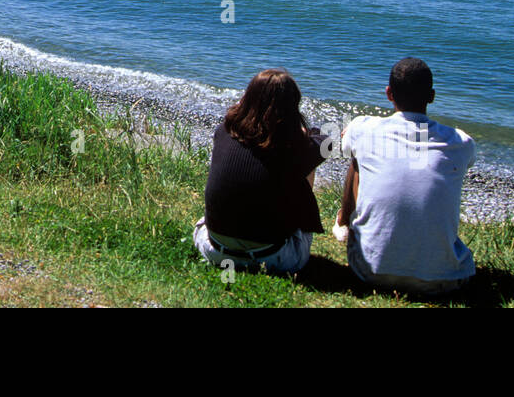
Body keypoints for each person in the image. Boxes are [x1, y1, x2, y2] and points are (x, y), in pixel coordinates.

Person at [335, 57, 476, 294]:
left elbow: (344, 142)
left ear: (389, 93)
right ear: (431, 96)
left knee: (358, 159)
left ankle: (343, 222)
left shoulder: (363, 128)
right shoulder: (460, 142)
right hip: (445, 279)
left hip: (370, 271)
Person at [193, 68, 326, 275]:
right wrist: (304, 133)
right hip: (271, 258)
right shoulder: (295, 146)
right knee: (304, 166)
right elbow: (326, 144)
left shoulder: (225, 130)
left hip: (214, 249)